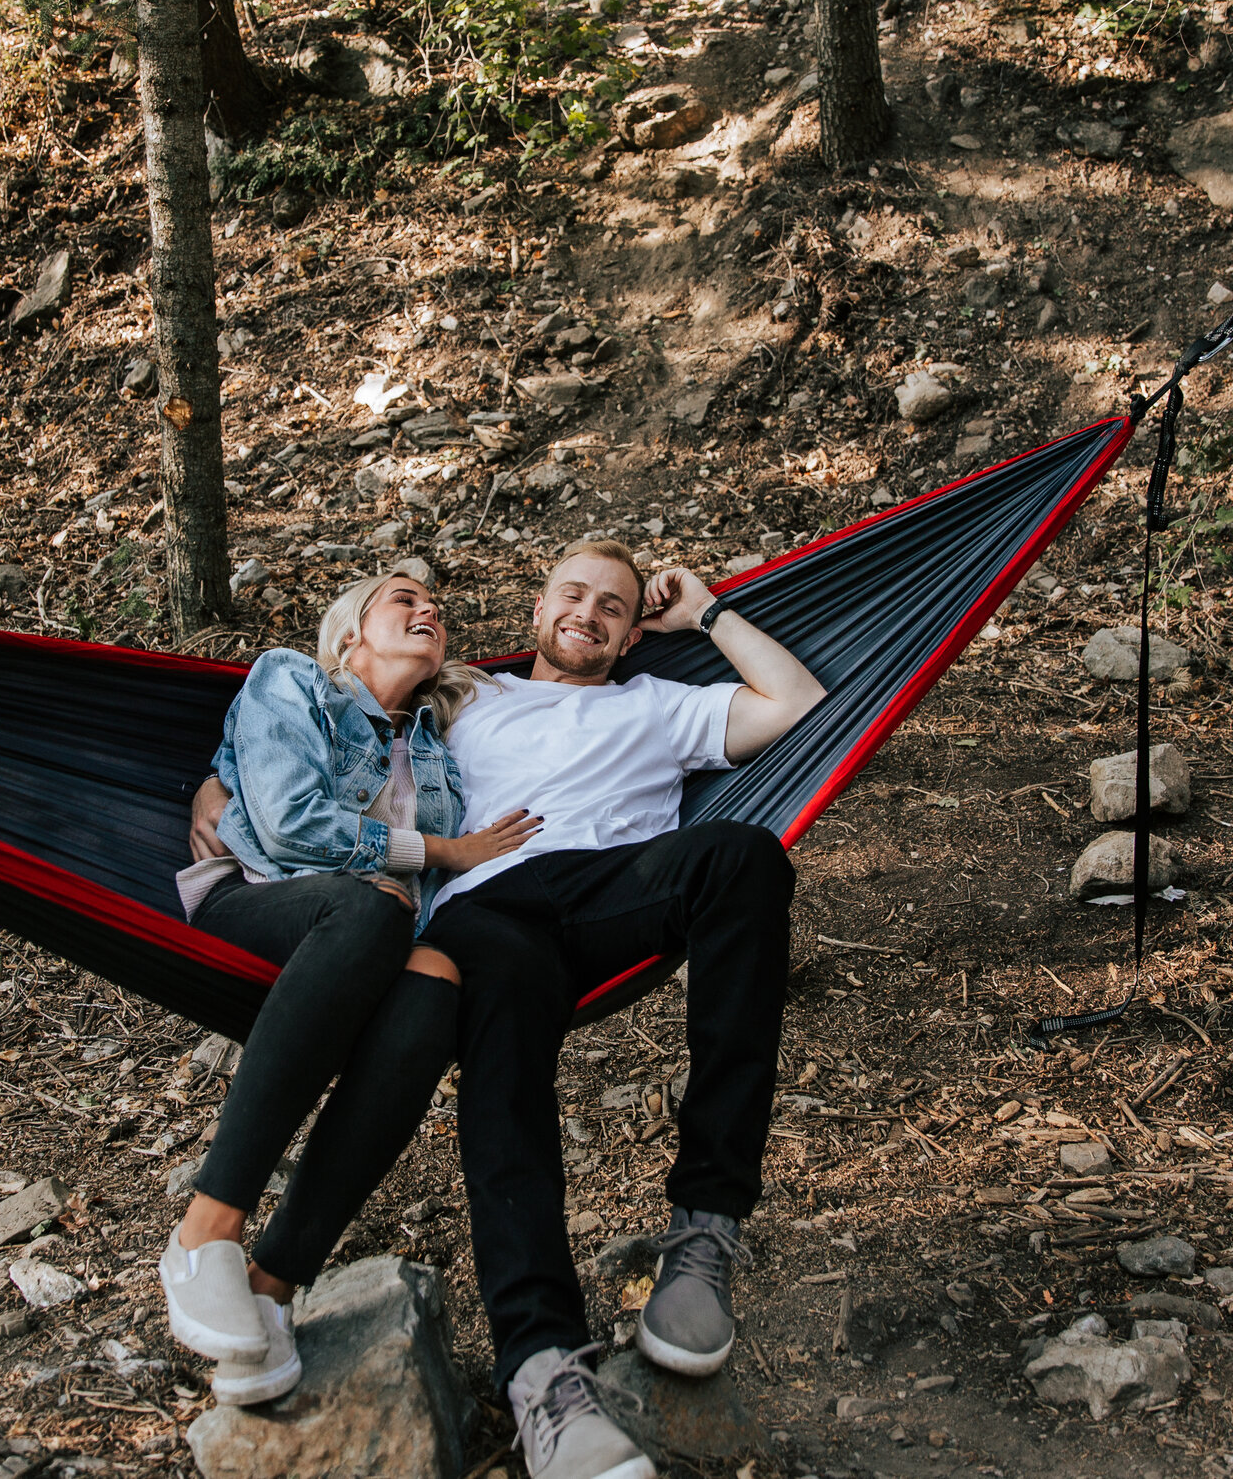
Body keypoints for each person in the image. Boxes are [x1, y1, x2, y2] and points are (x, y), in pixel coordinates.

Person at [194, 540, 822, 1479]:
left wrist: (705, 614)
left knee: (746, 856)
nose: (590, 612)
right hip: (491, 907)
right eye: (572, 593)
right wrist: (216, 781)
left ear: (631, 629)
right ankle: (540, 1370)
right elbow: (343, 720)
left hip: (622, 888)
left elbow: (796, 702)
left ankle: (704, 1233)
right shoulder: (464, 697)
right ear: (535, 610)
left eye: (614, 605)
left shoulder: (656, 703)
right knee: (497, 1046)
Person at [159, 571, 540, 1407]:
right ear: (349, 633)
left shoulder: (438, 749)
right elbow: (291, 821)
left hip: (371, 934)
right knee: (372, 910)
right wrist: (443, 852)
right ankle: (206, 1229)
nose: (429, 607)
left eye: (438, 602)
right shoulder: (291, 677)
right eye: (403, 597)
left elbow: (554, 704)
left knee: (433, 993)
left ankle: (272, 1286)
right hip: (255, 899)